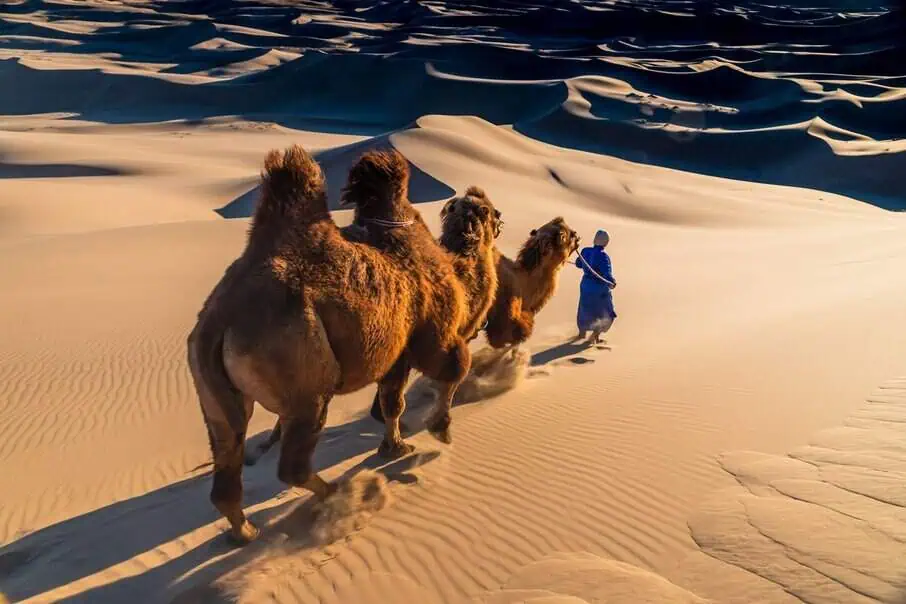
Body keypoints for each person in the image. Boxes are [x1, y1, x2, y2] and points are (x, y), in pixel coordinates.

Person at [575, 229, 617, 343]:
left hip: (586, 286)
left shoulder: (585, 251)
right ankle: (595, 337)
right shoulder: (604, 256)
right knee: (605, 313)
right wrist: (612, 282)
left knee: (585, 310)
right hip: (599, 289)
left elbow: (579, 263)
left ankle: (581, 334)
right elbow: (607, 273)